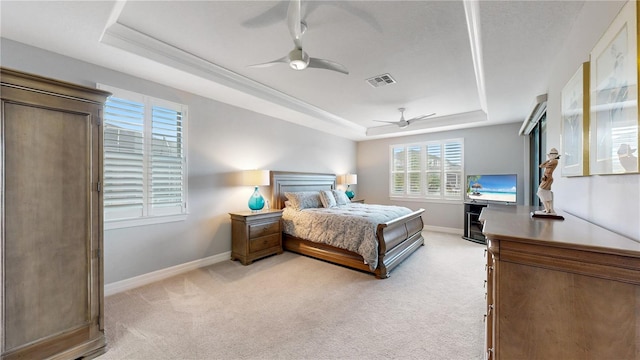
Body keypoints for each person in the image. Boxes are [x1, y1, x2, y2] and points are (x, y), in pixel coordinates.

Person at [537, 148, 560, 214]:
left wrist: (549, 160)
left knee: (540, 191)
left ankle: (548, 209)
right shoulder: (550, 161)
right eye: (549, 155)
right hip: (546, 178)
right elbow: (541, 165)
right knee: (546, 193)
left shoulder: (554, 161)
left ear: (555, 155)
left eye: (551, 155)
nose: (549, 156)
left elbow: (542, 166)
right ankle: (548, 208)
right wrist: (548, 160)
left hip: (548, 178)